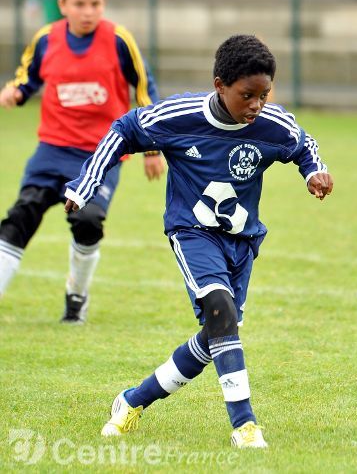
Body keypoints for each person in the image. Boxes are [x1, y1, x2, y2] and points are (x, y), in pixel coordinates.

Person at [63, 34, 334, 448]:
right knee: (221, 310)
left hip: (242, 241)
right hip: (191, 233)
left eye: (265, 94)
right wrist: (85, 184)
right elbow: (124, 130)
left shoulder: (271, 124)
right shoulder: (179, 117)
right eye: (247, 95)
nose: (256, 105)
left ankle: (132, 401)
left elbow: (303, 144)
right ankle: (245, 425)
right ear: (220, 85)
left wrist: (314, 172)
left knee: (217, 335)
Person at [0, 0, 163, 323]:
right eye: (80, 4)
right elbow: (27, 80)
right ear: (62, 4)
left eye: (95, 4)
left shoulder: (120, 40)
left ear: (103, 3)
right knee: (19, 217)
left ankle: (77, 297)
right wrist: (14, 92)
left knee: (88, 220)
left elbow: (144, 90)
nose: (88, 12)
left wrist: (152, 148)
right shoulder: (46, 39)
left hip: (100, 155)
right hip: (52, 150)